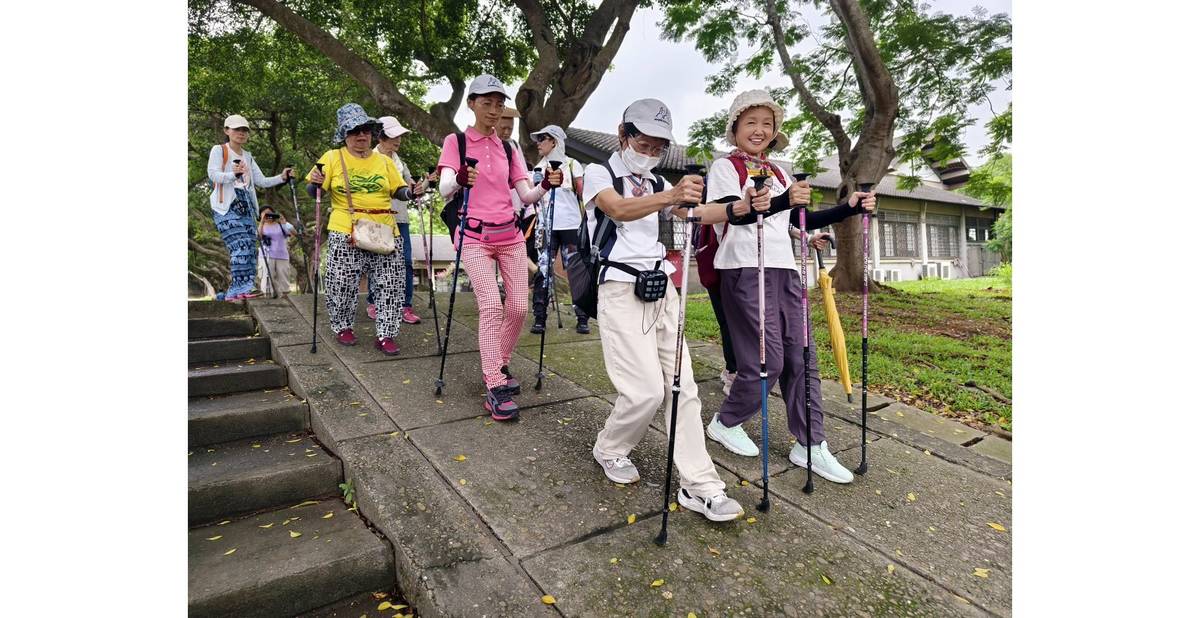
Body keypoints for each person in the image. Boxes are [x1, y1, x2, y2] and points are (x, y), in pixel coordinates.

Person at [700, 89, 876, 484]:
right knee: (768, 360)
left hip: (785, 270)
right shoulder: (725, 168)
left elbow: (801, 220)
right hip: (745, 267)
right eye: (751, 123)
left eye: (767, 124)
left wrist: (848, 208)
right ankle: (726, 421)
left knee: (802, 357)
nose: (760, 130)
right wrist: (782, 203)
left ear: (776, 131)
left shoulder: (781, 171)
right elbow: (739, 215)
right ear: (735, 129)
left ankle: (810, 444)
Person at [582, 98, 745, 523]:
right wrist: (672, 194)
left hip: (662, 289)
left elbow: (695, 212)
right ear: (624, 134)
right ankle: (610, 448)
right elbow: (616, 209)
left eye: (659, 147)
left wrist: (740, 209)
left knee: (683, 387)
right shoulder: (600, 173)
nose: (651, 152)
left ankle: (702, 486)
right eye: (645, 142)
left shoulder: (656, 182)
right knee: (646, 391)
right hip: (619, 287)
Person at [436, 75, 562, 420]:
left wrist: (547, 186)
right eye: (487, 103)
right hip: (474, 236)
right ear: (472, 103)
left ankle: (499, 363)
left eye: (498, 104)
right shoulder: (456, 141)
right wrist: (460, 178)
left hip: (510, 236)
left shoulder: (510, 148)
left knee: (519, 308)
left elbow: (526, 195)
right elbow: (446, 186)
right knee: (491, 306)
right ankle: (494, 383)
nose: (494, 110)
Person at [306, 103, 418, 356]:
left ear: (373, 134)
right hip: (345, 228)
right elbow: (314, 191)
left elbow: (398, 190)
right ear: (344, 135)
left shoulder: (384, 161)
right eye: (354, 131)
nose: (360, 136)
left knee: (391, 284)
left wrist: (412, 192)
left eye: (365, 130)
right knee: (342, 282)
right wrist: (315, 183)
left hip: (384, 228)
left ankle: (386, 334)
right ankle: (343, 326)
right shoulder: (332, 158)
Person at [207, 114, 292, 300]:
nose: (241, 133)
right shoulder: (219, 150)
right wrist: (233, 174)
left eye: (245, 130)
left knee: (251, 247)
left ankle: (242, 289)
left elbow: (260, 181)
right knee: (239, 244)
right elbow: (213, 175)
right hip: (227, 206)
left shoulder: (248, 156)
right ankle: (239, 290)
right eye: (237, 129)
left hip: (247, 205)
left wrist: (282, 178)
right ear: (226, 130)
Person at [528, 125, 591, 334]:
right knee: (543, 271)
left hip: (572, 226)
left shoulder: (573, 165)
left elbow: (584, 196)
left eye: (542, 139)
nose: (538, 143)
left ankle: (583, 317)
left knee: (576, 272)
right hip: (546, 227)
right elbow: (532, 198)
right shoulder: (537, 169)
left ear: (554, 141)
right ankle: (539, 318)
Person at [366, 116, 426, 324]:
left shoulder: (401, 163)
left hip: (400, 219)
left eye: (401, 136)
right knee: (378, 263)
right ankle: (374, 302)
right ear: (381, 137)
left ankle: (405, 306)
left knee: (406, 262)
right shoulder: (368, 159)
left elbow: (411, 187)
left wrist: (420, 187)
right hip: (378, 218)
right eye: (394, 135)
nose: (399, 140)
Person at [256, 206, 296, 298]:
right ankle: (268, 295)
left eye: (269, 213)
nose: (268, 215)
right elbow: (258, 236)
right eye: (265, 213)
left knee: (283, 275)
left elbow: (294, 233)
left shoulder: (281, 224)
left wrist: (285, 223)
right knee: (267, 276)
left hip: (282, 254)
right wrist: (262, 222)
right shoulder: (261, 226)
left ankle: (285, 295)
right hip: (266, 255)